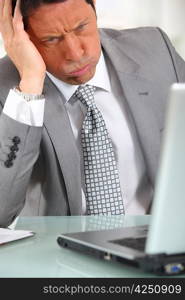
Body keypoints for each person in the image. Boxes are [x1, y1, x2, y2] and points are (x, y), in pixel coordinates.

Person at [0, 0, 185, 227]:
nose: (75, 53)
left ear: (95, 8)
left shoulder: (155, 50)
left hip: (158, 243)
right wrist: (30, 82)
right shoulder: (9, 90)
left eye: (81, 27)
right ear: (21, 36)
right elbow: (1, 212)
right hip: (57, 255)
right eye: (51, 39)